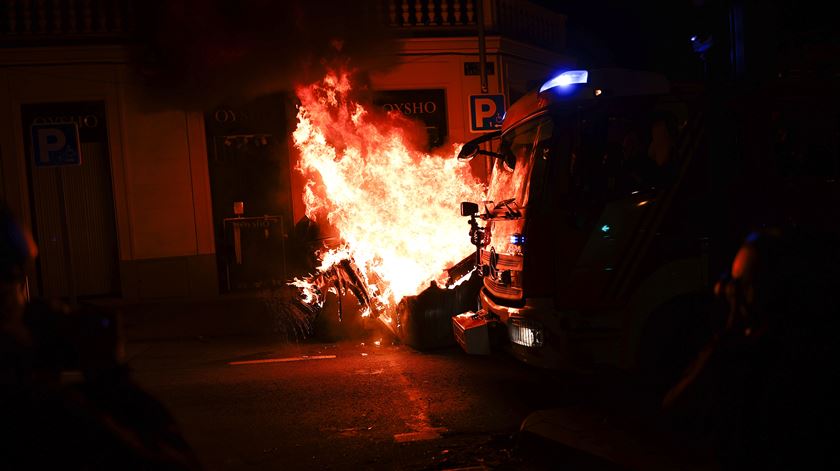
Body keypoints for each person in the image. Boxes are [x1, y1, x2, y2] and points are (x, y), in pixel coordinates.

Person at [0, 203, 201, 469]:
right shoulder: (36, 413)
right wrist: (110, 377)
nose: (27, 303)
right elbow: (173, 460)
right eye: (17, 280)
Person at [662, 226, 840, 469]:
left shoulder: (759, 360)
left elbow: (677, 409)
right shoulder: (812, 349)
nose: (727, 290)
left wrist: (726, 335)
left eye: (739, 283)